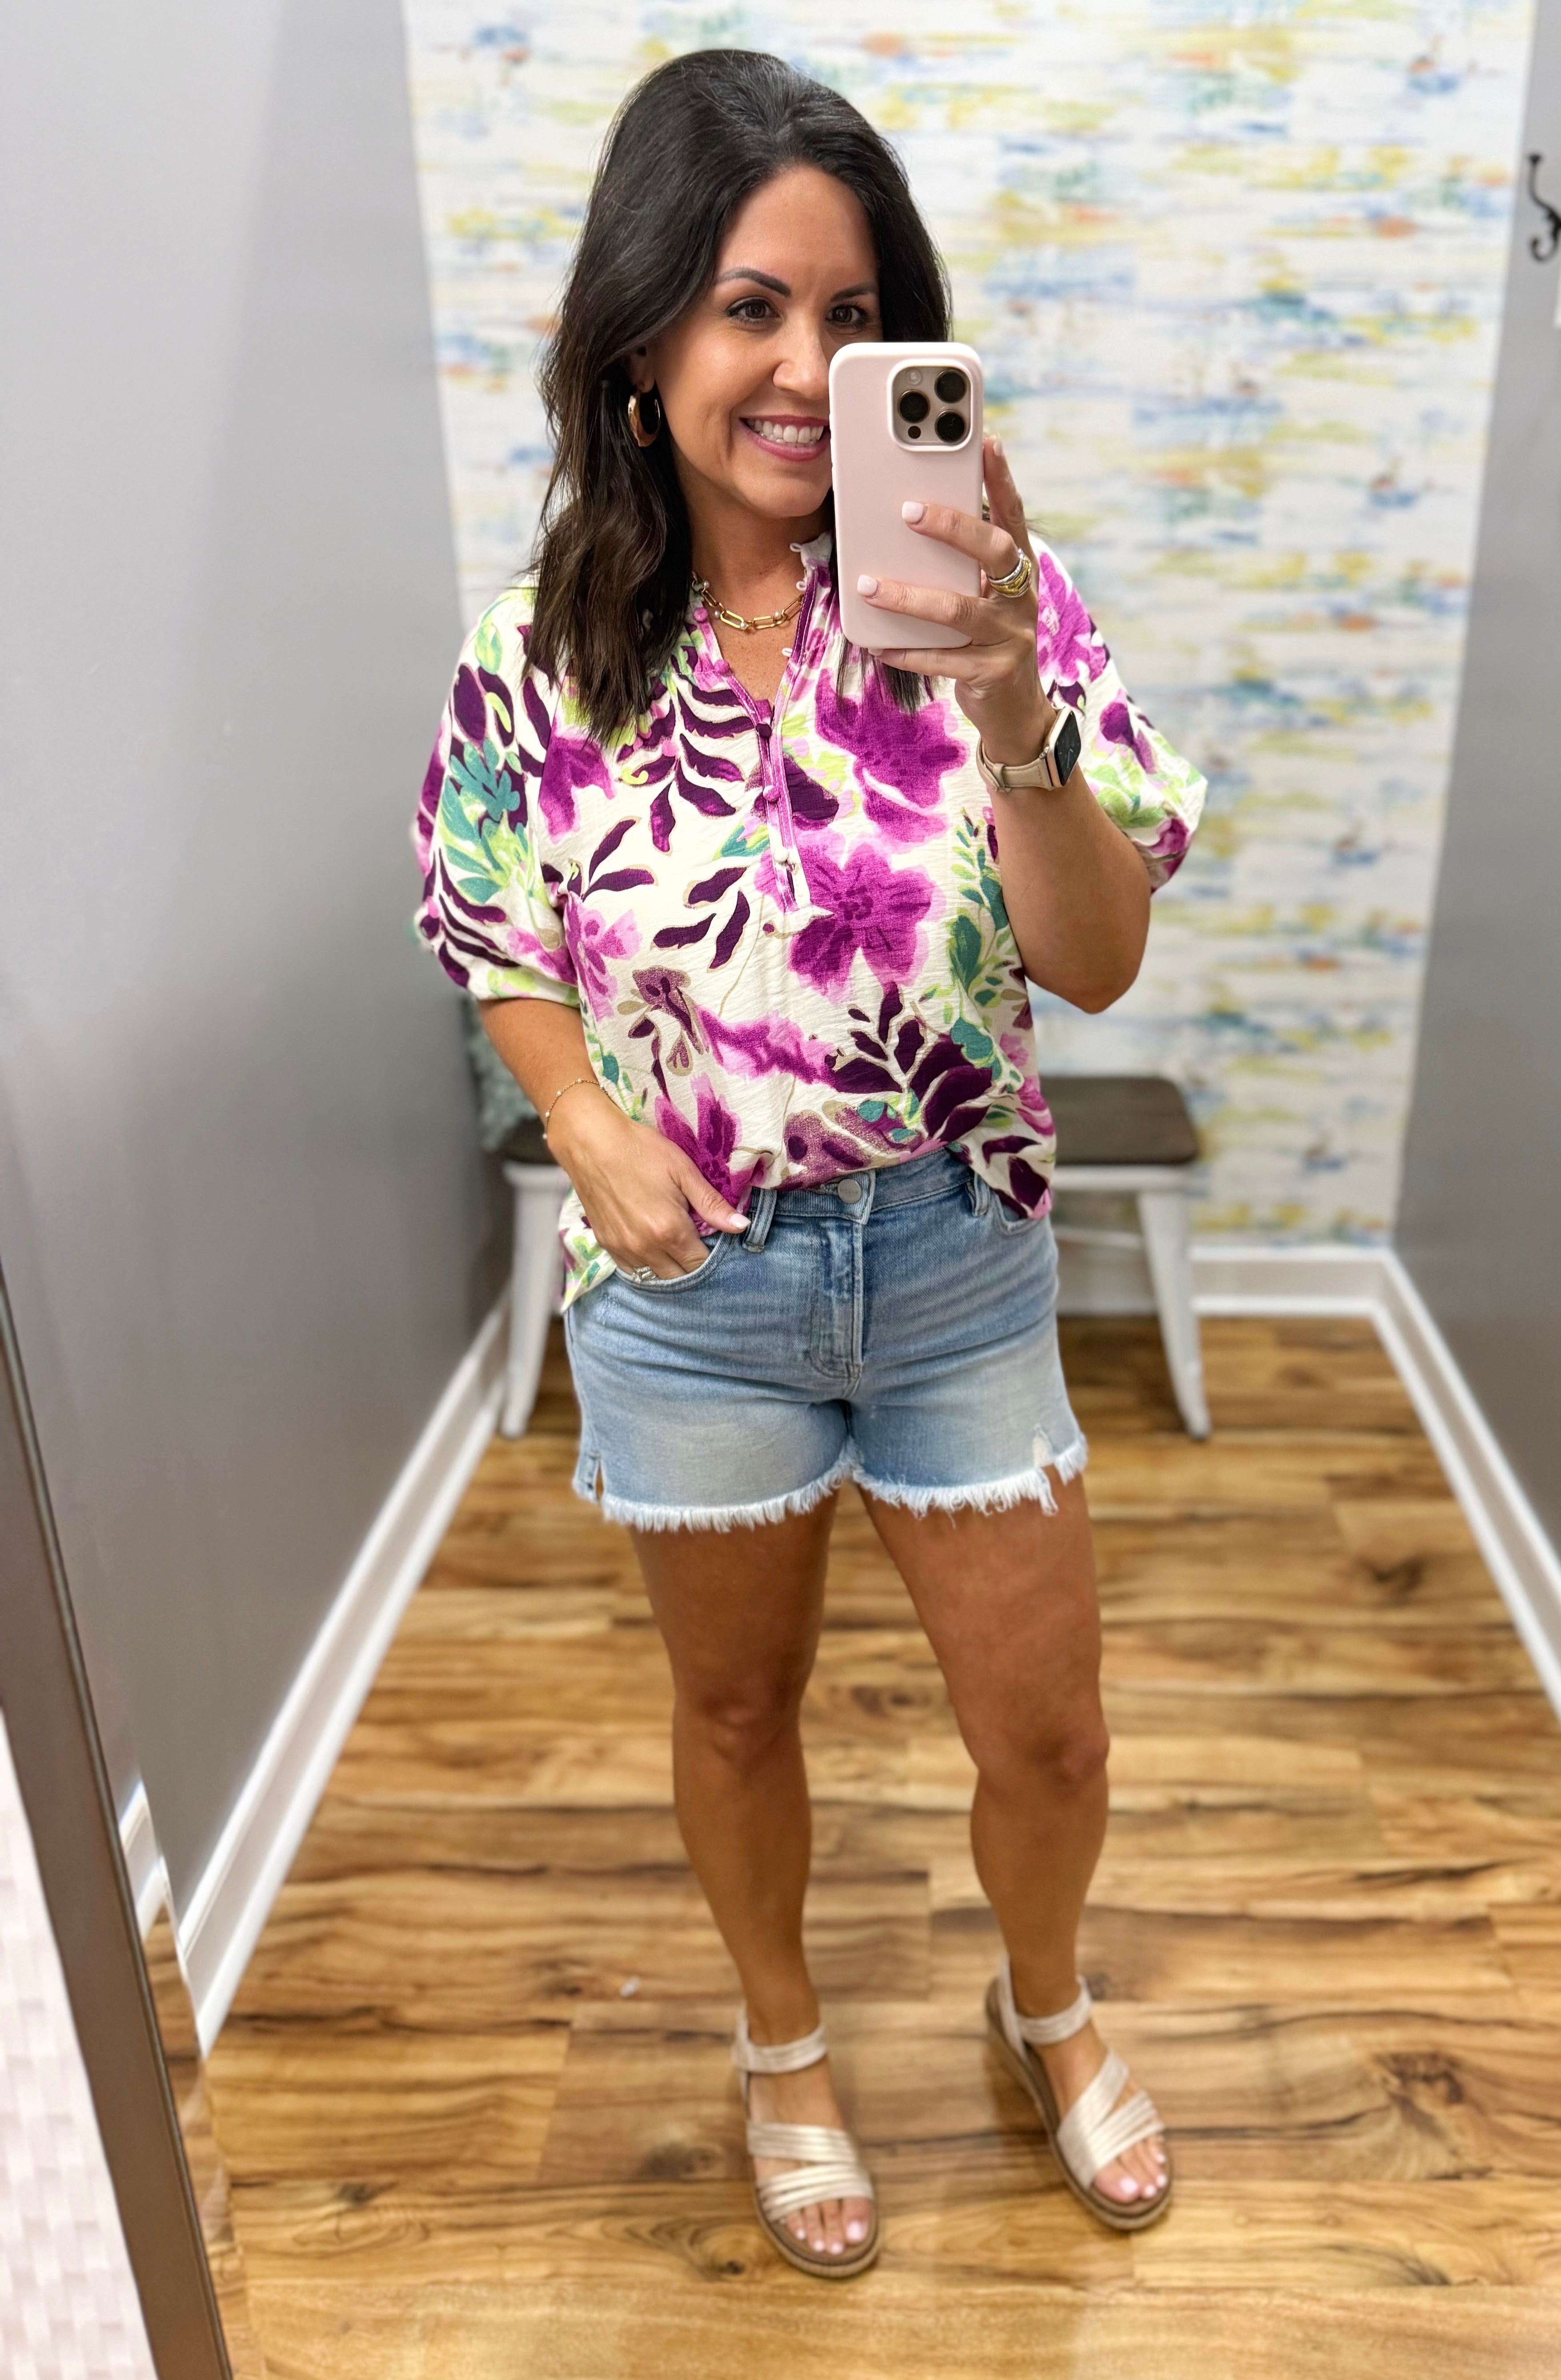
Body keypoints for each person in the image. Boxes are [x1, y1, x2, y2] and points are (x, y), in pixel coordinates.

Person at [415, 47, 1204, 2281]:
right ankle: (782, 2044)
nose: (808, 368)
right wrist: (577, 1117)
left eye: (862, 323)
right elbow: (492, 929)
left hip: (956, 1255)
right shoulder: (538, 662)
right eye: (755, 306)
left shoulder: (993, 612)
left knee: (1047, 1737)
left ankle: (1041, 1997)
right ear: (644, 328)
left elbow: (1104, 960)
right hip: (698, 1291)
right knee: (737, 1708)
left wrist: (1013, 723)